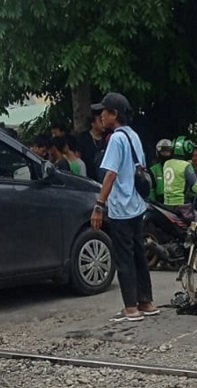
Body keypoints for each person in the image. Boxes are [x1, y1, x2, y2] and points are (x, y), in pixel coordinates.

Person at [89, 92, 158, 322]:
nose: (101, 116)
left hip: (120, 207)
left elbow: (110, 174)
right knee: (139, 255)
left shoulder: (116, 139)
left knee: (124, 258)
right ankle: (146, 302)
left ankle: (130, 307)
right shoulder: (134, 136)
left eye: (104, 112)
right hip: (137, 206)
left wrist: (99, 204)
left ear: (114, 114)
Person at [162, 139, 197, 209]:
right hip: (181, 205)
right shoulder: (186, 165)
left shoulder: (167, 163)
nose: (194, 158)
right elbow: (196, 188)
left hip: (167, 204)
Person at [76, 112, 107, 180]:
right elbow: (78, 156)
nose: (103, 124)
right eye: (100, 121)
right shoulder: (83, 137)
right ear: (93, 124)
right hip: (88, 176)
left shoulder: (107, 137)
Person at [149, 139, 173, 203]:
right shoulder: (153, 169)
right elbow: (151, 189)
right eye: (163, 151)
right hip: (158, 203)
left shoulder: (177, 168)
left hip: (175, 202)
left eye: (168, 151)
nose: (165, 154)